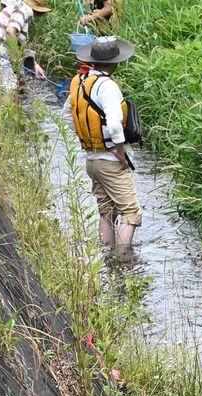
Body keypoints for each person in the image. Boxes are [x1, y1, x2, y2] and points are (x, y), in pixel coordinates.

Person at [66, 35, 140, 262]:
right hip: (109, 160)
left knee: (106, 210)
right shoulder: (107, 86)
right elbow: (115, 124)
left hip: (92, 159)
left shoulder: (79, 82)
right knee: (131, 213)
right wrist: (119, 153)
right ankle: (124, 263)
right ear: (114, 62)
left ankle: (105, 259)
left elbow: (68, 116)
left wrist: (90, 142)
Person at [0, 0, 49, 89]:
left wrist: (34, 65)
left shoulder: (19, 7)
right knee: (10, 88)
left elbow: (19, 45)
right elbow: (10, 31)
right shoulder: (23, 10)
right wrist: (16, 57)